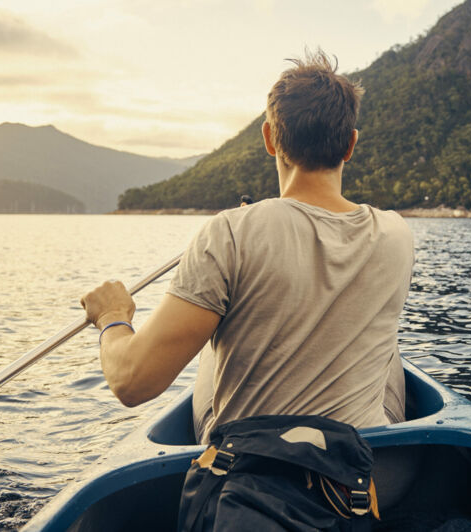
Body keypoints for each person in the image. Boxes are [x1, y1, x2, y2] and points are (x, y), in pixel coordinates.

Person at [80, 50, 414, 446]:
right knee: (388, 349)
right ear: (350, 145)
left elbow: (131, 382)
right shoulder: (397, 234)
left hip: (247, 476)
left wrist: (112, 318)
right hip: (362, 477)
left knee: (211, 343)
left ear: (270, 138)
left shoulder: (229, 233)